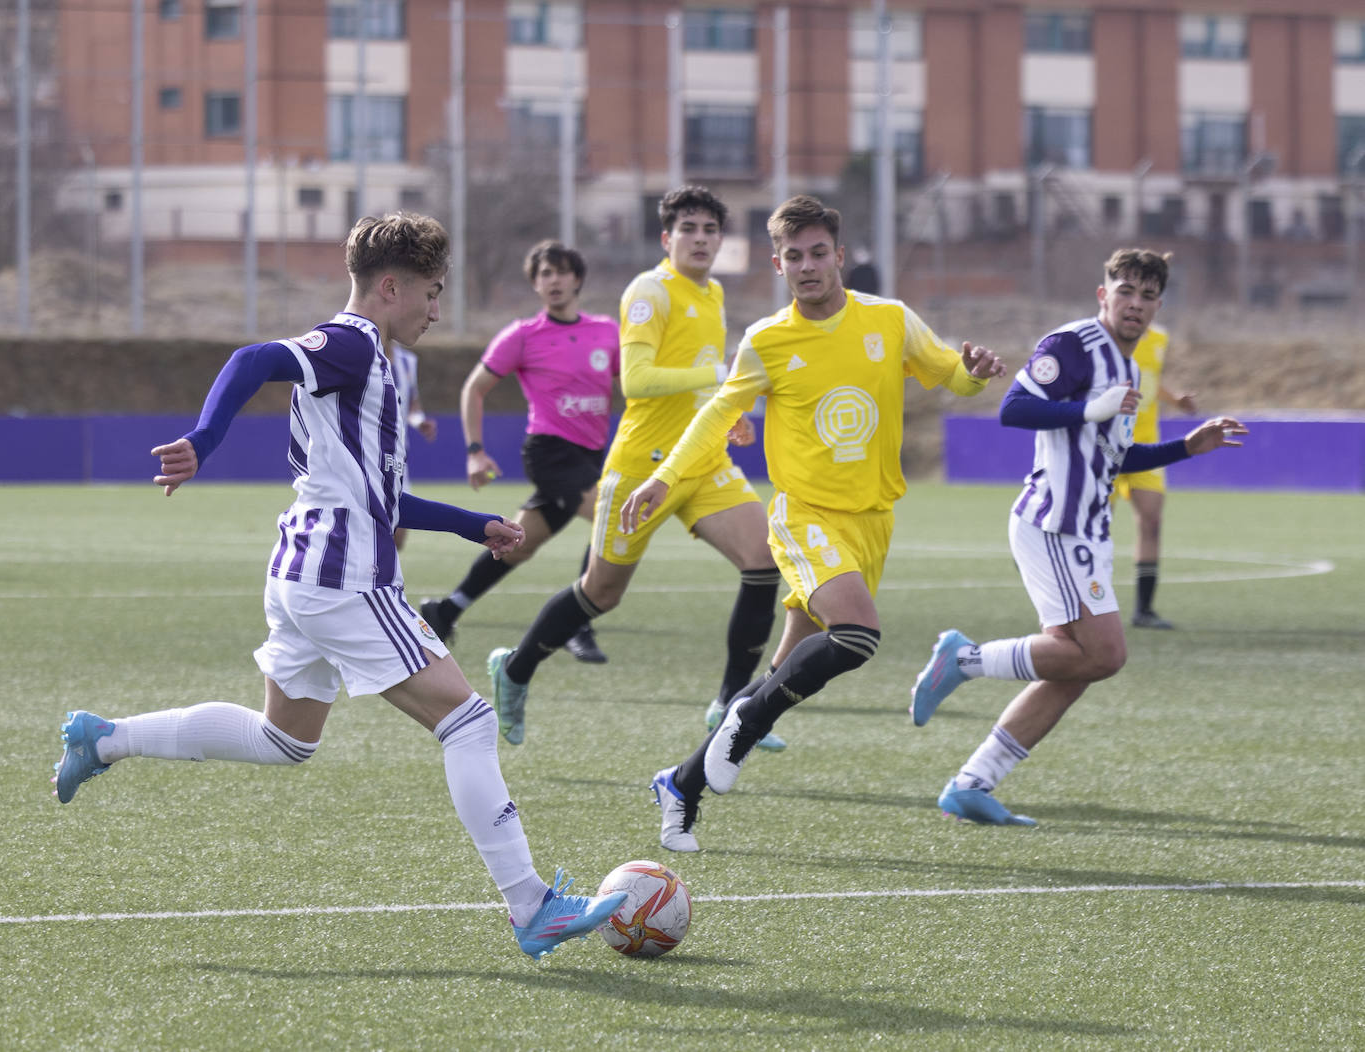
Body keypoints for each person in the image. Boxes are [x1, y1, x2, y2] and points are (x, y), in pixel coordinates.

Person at [50, 212, 625, 960]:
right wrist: (203, 439)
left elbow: (376, 493)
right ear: (391, 286)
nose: (436, 309)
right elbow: (253, 358)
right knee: (470, 723)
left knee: (284, 739)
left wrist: (466, 524)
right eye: (431, 291)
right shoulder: (352, 342)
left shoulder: (376, 364)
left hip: (302, 570)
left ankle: (107, 738)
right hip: (342, 575)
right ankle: (531, 906)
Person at [621, 194, 1007, 853]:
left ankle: (681, 784)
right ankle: (744, 720)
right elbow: (715, 415)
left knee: (783, 672)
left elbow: (948, 374)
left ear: (840, 255)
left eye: (817, 253)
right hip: (804, 516)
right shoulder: (767, 341)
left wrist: (972, 376)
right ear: (776, 263)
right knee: (857, 635)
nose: (806, 265)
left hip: (871, 521)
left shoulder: (889, 320)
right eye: (792, 256)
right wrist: (664, 477)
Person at [909, 248, 1248, 826]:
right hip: (1053, 523)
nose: (1135, 305)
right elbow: (1014, 409)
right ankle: (962, 659)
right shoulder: (1072, 345)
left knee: (1080, 664)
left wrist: (1186, 447)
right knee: (1105, 653)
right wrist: (1089, 408)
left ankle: (973, 783)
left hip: (1087, 530)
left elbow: (1114, 454)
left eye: (1147, 296)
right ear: (1103, 294)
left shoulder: (1132, 371)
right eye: (1125, 291)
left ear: (1159, 306)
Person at [485, 186, 786, 751]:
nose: (700, 239)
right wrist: (716, 382)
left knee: (764, 558)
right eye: (689, 229)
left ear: (722, 240)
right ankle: (516, 669)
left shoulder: (714, 292)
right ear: (667, 238)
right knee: (601, 592)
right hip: (641, 465)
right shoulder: (649, 291)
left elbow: (699, 380)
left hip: (701, 459)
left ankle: (730, 705)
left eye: (710, 230)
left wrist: (725, 416)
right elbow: (640, 380)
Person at [419, 240, 619, 664]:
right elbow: (474, 388)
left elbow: (636, 384)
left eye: (562, 271)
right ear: (535, 284)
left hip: (592, 456)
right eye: (544, 274)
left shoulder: (607, 332)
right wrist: (475, 450)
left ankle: (446, 609)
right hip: (550, 453)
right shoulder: (523, 336)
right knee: (611, 516)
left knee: (519, 543)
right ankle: (578, 622)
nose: (554, 280)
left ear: (577, 279)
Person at [1112, 322, 1197, 629]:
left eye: (1150, 295)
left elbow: (1148, 380)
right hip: (1104, 444)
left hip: (1146, 444)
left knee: (1151, 521)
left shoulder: (1161, 337)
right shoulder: (1103, 335)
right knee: (1093, 527)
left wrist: (1175, 400)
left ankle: (1143, 610)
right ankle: (1080, 609)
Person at [390, 341, 438, 551]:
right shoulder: (361, 355)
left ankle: (378, 579)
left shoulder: (407, 362)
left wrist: (420, 421)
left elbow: (412, 404)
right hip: (365, 453)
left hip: (397, 455)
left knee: (398, 535)